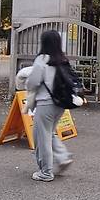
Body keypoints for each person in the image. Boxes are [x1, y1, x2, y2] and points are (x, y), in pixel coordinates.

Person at [25, 30, 73, 182]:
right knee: (49, 133)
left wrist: (25, 82)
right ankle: (63, 157)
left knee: (42, 137)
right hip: (60, 104)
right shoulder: (62, 59)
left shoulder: (42, 59)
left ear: (44, 42)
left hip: (45, 103)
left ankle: (45, 172)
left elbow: (33, 82)